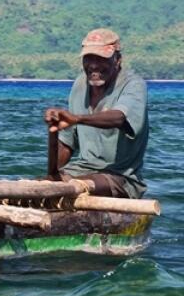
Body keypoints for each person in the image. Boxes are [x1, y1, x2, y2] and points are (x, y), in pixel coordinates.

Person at [44, 28, 148, 198]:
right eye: (88, 59)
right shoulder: (80, 84)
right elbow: (68, 143)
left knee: (76, 186)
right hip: (81, 170)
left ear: (117, 60)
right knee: (38, 186)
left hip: (120, 177)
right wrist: (51, 176)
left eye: (100, 59)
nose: (93, 65)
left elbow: (119, 117)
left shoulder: (133, 85)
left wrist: (77, 119)